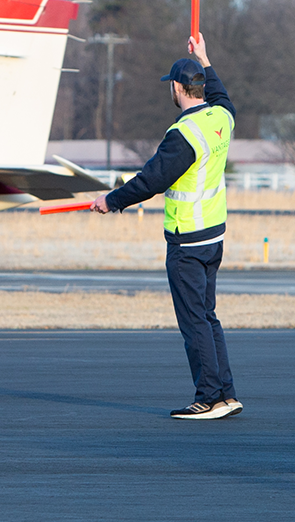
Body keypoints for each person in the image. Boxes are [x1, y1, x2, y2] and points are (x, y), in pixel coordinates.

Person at [90, 31, 240, 419]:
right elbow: (223, 96)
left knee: (194, 322)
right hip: (214, 236)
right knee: (207, 316)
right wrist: (205, 58)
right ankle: (225, 393)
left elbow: (151, 180)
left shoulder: (183, 134)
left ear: (176, 87)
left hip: (187, 241)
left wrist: (111, 201)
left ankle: (209, 397)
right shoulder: (221, 118)